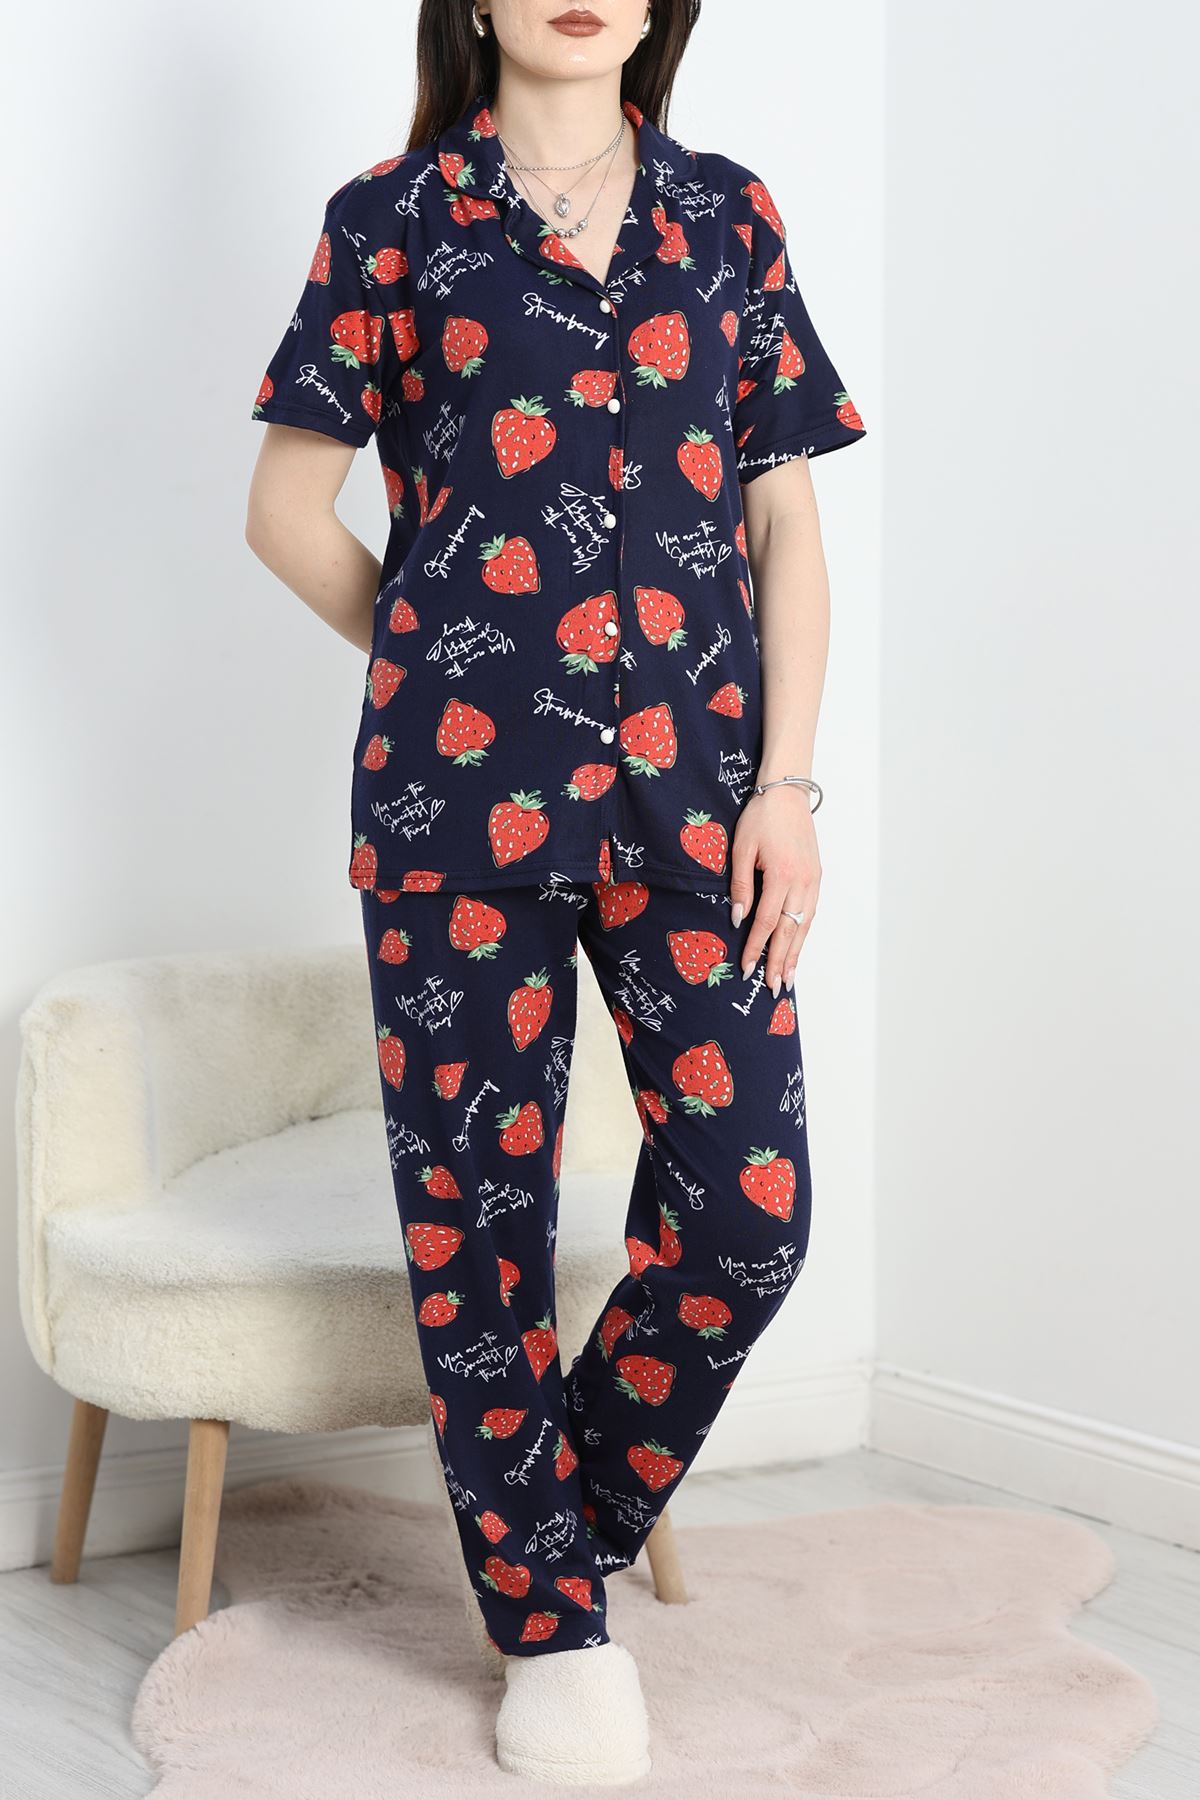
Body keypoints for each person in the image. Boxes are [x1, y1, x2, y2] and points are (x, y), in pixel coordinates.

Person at [246, 0, 866, 1782]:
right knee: (481, 1223)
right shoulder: (391, 221)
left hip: (703, 803)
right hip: (454, 808)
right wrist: (446, 654)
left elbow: (785, 523)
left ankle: (550, 1543)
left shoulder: (727, 215)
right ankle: (554, 1636)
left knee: (746, 1217)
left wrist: (788, 784)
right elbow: (284, 510)